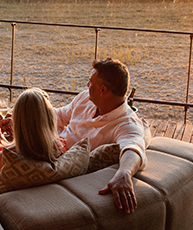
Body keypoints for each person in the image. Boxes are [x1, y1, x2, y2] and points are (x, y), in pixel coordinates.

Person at [55, 58, 148, 213]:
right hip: (52, 144)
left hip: (62, 165)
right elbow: (59, 116)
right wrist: (20, 118)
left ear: (103, 90)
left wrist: (124, 173)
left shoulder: (126, 123)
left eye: (91, 82)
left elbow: (134, 148)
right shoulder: (86, 98)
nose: (87, 85)